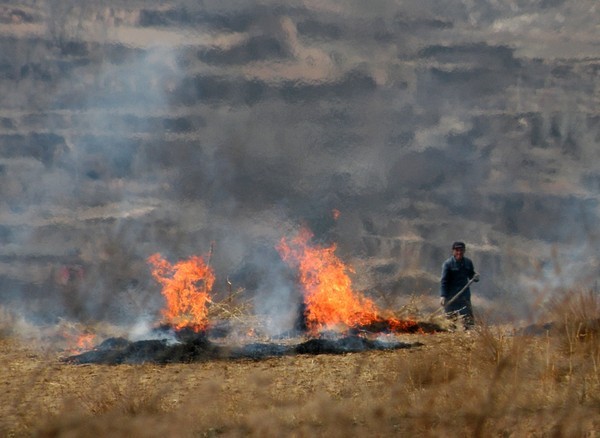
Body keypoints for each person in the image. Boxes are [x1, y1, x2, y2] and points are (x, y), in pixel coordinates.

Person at [440, 241, 479, 328]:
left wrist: (475, 277)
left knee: (468, 321)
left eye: (461, 250)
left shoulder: (468, 263)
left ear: (464, 251)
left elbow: (471, 275)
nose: (459, 252)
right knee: (450, 323)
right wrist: (443, 295)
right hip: (451, 297)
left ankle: (469, 336)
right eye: (457, 250)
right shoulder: (448, 264)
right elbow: (444, 281)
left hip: (464, 297)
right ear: (453, 251)